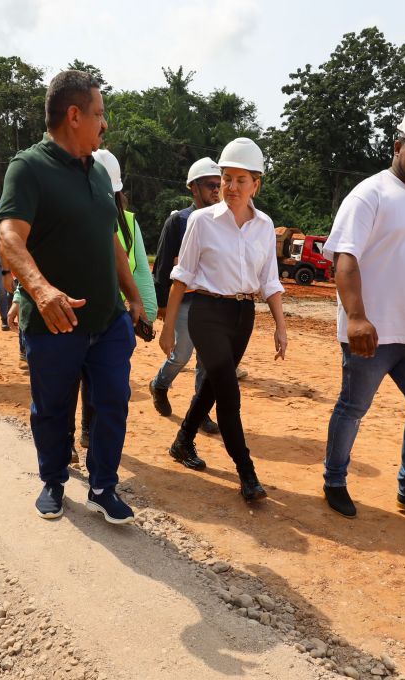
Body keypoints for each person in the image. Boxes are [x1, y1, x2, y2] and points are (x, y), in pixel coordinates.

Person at [0, 69, 148, 523]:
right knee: (52, 409)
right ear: (75, 115)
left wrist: (133, 295)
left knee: (112, 404)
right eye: (99, 114)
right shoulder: (29, 168)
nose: (105, 123)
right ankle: (54, 480)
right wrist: (41, 291)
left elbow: (110, 239)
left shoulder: (98, 172)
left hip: (107, 320)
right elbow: (8, 237)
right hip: (55, 323)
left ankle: (102, 486)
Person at [319, 96, 405, 522]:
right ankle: (335, 480)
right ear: (398, 146)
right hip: (372, 333)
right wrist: (357, 317)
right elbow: (345, 258)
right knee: (353, 408)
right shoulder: (370, 194)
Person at [161, 137, 288, 502]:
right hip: (207, 312)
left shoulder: (264, 225)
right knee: (229, 394)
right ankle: (247, 473)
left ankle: (182, 441)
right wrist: (168, 327)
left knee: (214, 387)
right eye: (226, 178)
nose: (231, 187)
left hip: (243, 315)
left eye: (240, 180)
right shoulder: (201, 221)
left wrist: (280, 325)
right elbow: (182, 276)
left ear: (256, 184)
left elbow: (269, 280)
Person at [73, 147, 157, 449]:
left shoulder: (127, 222)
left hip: (113, 315)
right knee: (73, 376)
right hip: (74, 310)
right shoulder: (68, 215)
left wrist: (146, 311)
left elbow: (141, 270)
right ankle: (69, 439)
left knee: (101, 380)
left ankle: (89, 432)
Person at [148, 157, 222, 434]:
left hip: (212, 301)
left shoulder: (223, 221)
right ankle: (159, 384)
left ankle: (199, 412)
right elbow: (163, 265)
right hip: (184, 299)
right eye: (210, 185)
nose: (216, 190)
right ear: (193, 187)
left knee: (207, 360)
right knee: (181, 354)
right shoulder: (178, 221)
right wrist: (162, 306)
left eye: (219, 184)